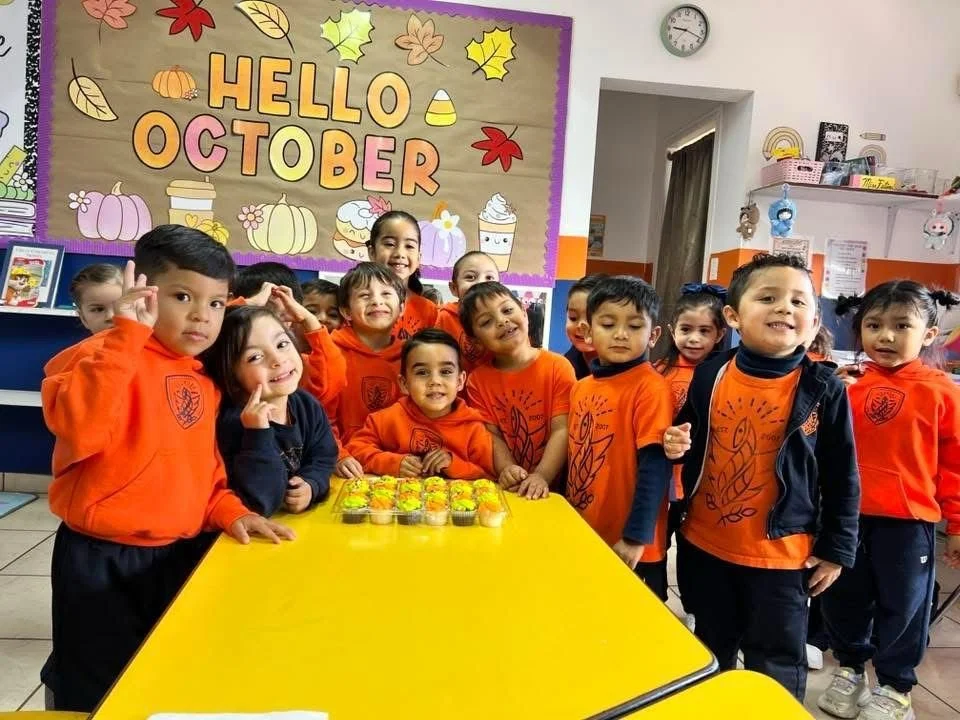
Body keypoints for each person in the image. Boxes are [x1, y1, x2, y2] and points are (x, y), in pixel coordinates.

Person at [39, 225, 294, 712]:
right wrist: (124, 336)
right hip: (101, 558)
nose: (201, 315)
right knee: (94, 686)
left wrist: (229, 510)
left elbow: (203, 471)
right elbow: (81, 427)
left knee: (158, 672)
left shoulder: (200, 378)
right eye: (183, 296)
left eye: (216, 303)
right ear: (145, 292)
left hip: (173, 554)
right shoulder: (98, 357)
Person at [662, 253, 860, 701]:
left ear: (812, 322)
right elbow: (687, 428)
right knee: (711, 649)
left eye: (797, 301)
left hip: (783, 558)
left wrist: (837, 549)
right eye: (768, 297)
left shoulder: (823, 388)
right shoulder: (711, 372)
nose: (784, 308)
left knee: (774, 662)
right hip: (705, 545)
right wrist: (675, 441)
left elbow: (842, 473)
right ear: (733, 315)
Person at [817, 281, 960, 720]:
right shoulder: (845, 386)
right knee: (843, 597)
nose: (886, 336)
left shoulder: (943, 391)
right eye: (874, 325)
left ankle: (896, 687)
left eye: (902, 326)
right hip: (846, 518)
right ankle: (851, 668)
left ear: (929, 335)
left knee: (905, 605)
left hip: (907, 523)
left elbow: (954, 466)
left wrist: (957, 526)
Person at [566, 276, 674, 600]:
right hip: (587, 528)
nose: (621, 334)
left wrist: (636, 536)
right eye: (608, 323)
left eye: (635, 326)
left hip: (630, 542)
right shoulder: (581, 386)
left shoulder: (651, 387)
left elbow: (655, 466)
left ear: (653, 334)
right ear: (588, 331)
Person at [205, 304, 338, 517]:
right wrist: (257, 435)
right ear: (231, 375)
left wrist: (312, 484)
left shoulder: (306, 404)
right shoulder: (233, 423)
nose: (277, 360)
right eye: (255, 357)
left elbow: (323, 457)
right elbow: (259, 502)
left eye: (282, 344)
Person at [461, 281, 575, 500]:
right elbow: (491, 435)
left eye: (507, 310)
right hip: (507, 490)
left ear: (524, 312)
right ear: (475, 340)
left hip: (554, 492)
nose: (502, 321)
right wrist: (507, 468)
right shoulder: (477, 381)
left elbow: (562, 429)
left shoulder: (558, 366)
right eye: (486, 321)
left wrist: (542, 475)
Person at [653, 282, 726, 604]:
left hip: (702, 481)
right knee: (660, 540)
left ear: (720, 334)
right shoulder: (657, 372)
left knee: (694, 547)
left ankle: (695, 604)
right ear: (671, 330)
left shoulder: (724, 374)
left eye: (704, 331)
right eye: (685, 329)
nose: (694, 339)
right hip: (663, 478)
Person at [346, 328, 495, 479]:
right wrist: (393, 463)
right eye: (422, 372)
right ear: (404, 383)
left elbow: (488, 474)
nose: (435, 381)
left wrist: (453, 465)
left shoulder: (473, 427)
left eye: (445, 372)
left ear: (460, 381)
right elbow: (356, 449)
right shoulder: (385, 420)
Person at [328, 262, 405, 478]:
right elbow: (322, 419)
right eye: (365, 295)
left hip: (400, 466)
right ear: (346, 311)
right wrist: (338, 455)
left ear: (402, 307)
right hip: (347, 468)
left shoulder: (412, 357)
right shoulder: (331, 353)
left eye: (386, 293)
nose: (377, 301)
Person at [366, 210, 438, 339]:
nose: (400, 253)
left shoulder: (430, 311)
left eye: (409, 246)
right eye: (390, 244)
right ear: (372, 252)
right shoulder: (357, 302)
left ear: (419, 257)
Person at [435, 251, 500, 374]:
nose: (481, 283)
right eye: (470, 277)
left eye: (489, 278)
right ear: (454, 288)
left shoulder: (504, 319)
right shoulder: (444, 317)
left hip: (490, 389)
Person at [563, 273, 609, 380]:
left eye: (590, 318)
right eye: (573, 317)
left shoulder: (630, 372)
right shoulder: (564, 367)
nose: (581, 325)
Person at [68, 262, 123, 334]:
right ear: (83, 318)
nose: (110, 316)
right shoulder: (83, 346)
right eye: (99, 309)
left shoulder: (142, 343)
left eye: (120, 307)